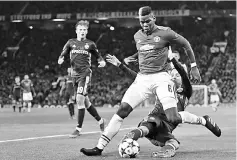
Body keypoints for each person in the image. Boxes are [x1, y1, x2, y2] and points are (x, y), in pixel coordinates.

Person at [80, 6, 205, 156]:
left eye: (147, 21)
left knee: (173, 117)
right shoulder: (137, 35)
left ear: (154, 18)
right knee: (122, 111)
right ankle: (99, 147)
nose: (145, 25)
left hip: (162, 78)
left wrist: (193, 66)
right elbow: (143, 49)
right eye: (141, 22)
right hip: (143, 79)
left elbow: (185, 44)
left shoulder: (166, 32)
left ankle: (201, 120)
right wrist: (132, 58)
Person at [105, 54, 221, 158]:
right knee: (147, 127)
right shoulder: (162, 87)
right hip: (155, 118)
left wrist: (173, 60)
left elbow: (183, 74)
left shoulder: (186, 91)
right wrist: (120, 65)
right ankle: (128, 138)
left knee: (174, 142)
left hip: (168, 127)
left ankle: (168, 150)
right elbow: (137, 78)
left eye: (177, 74)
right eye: (173, 74)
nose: (175, 76)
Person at [58, 20, 106, 138]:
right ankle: (101, 121)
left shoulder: (90, 44)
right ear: (76, 31)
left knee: (79, 99)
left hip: (85, 74)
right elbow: (63, 53)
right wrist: (61, 58)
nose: (82, 32)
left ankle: (78, 129)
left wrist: (102, 62)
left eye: (84, 30)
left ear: (87, 31)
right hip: (74, 75)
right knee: (86, 102)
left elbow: (98, 56)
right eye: (80, 29)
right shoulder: (70, 42)